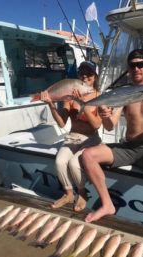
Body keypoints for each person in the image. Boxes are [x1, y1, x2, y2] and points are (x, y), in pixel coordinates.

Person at [82, 49, 143, 249]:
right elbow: (109, 126)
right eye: (133, 65)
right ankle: (107, 204)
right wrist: (106, 113)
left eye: (141, 64)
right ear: (128, 68)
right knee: (88, 155)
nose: (137, 68)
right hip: (128, 147)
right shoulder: (124, 92)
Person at [40, 61, 102, 211]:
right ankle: (69, 194)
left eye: (89, 73)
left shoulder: (100, 97)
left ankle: (82, 193)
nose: (85, 76)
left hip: (90, 139)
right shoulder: (69, 97)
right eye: (82, 73)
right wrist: (51, 104)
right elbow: (62, 123)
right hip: (72, 137)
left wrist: (81, 103)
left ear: (95, 77)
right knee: (60, 161)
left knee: (75, 162)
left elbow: (96, 125)